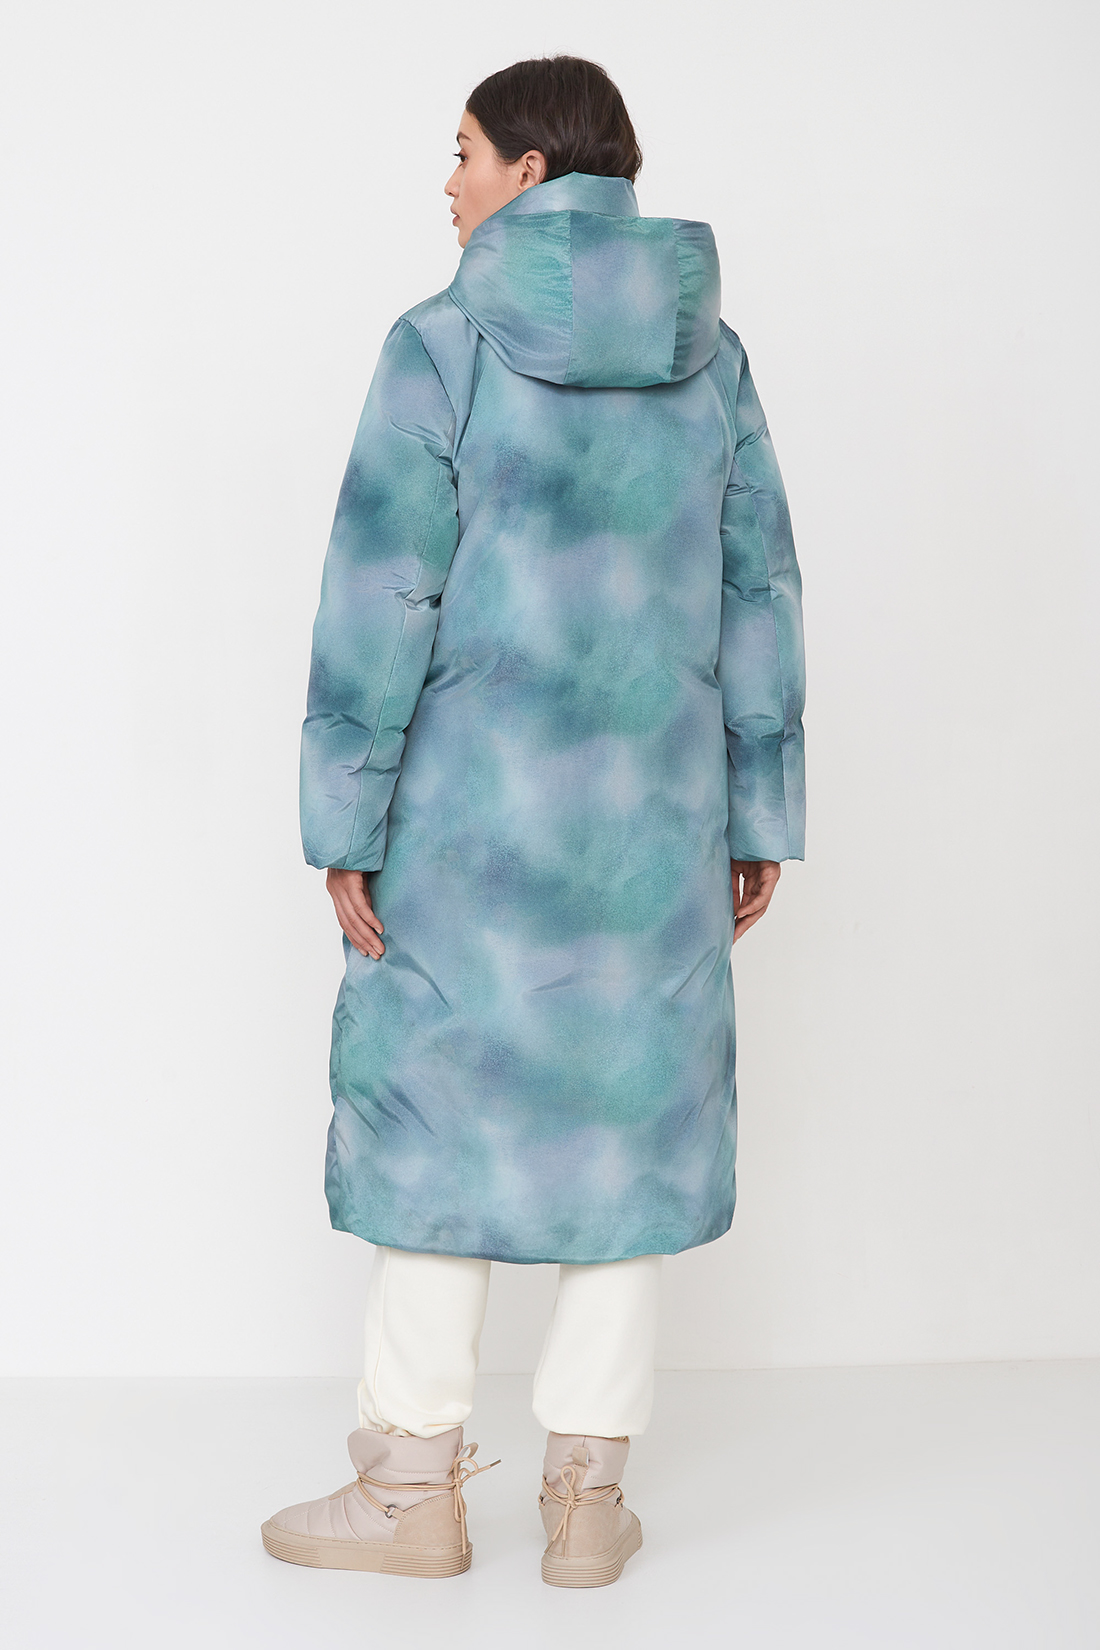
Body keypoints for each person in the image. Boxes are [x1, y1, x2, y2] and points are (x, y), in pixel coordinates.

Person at [262, 54, 806, 1588]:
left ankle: (411, 1494)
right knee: (624, 1134)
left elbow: (383, 590)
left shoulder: (441, 346)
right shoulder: (714, 355)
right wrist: (758, 804)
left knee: (437, 1115)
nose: (446, 184)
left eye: (463, 152)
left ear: (530, 170)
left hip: (467, 829)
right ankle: (585, 1506)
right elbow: (758, 586)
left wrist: (345, 816)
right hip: (654, 828)